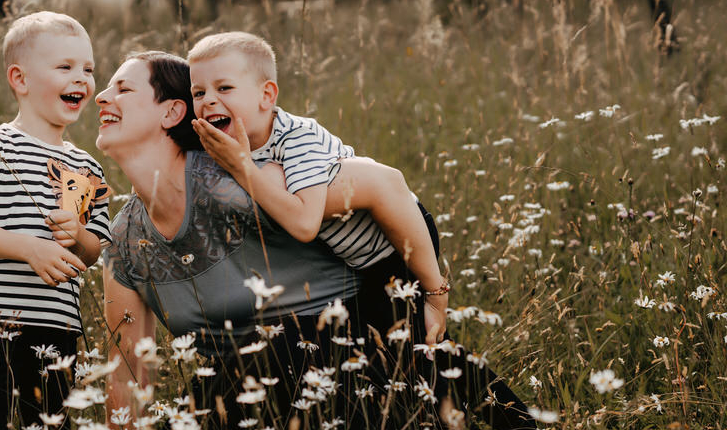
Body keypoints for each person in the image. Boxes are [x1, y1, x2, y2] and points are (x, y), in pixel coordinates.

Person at [98, 52, 534, 428]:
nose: (102, 97)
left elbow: (387, 185)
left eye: (122, 89)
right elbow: (126, 374)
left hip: (352, 367)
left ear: (172, 112)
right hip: (243, 394)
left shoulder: (247, 179)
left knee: (279, 345)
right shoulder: (124, 241)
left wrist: (432, 294)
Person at [187, 31, 451, 345]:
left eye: (224, 87)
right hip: (357, 263)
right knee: (389, 346)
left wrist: (241, 166)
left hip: (397, 244)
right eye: (198, 93)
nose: (209, 100)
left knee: (415, 345)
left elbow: (305, 224)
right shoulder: (224, 144)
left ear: (267, 96)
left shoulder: (297, 137)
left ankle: (437, 297)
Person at [0, 11, 110, 429]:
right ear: (20, 79)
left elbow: (94, 251)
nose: (82, 78)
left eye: (88, 69)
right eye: (65, 67)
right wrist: (30, 248)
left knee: (51, 422)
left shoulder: (86, 166)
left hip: (58, 323)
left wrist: (78, 237)